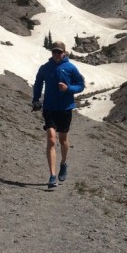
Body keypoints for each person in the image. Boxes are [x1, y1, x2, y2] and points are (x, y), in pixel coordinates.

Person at [31, 40, 85, 189]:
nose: (56, 54)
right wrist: (35, 99)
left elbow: (81, 85)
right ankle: (52, 176)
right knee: (51, 139)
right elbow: (38, 83)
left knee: (63, 140)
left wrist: (68, 88)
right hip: (49, 108)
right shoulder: (45, 68)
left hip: (65, 108)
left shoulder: (70, 68)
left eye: (59, 52)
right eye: (54, 51)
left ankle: (63, 163)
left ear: (64, 53)